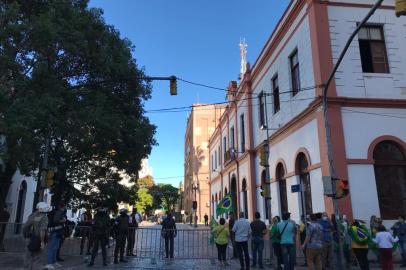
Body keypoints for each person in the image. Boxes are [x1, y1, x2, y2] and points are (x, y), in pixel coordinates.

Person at [23, 202, 50, 270]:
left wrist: (26, 237)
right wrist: (42, 242)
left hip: (30, 239)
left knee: (28, 257)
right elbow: (42, 231)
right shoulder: (44, 217)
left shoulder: (32, 215)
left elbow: (25, 227)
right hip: (38, 240)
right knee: (38, 258)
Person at [47, 203, 67, 269]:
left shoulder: (60, 212)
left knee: (55, 248)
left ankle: (54, 262)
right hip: (55, 232)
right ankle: (49, 263)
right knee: (51, 248)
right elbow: (55, 221)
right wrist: (63, 220)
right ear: (62, 207)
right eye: (65, 206)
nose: (66, 207)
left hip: (58, 232)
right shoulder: (59, 212)